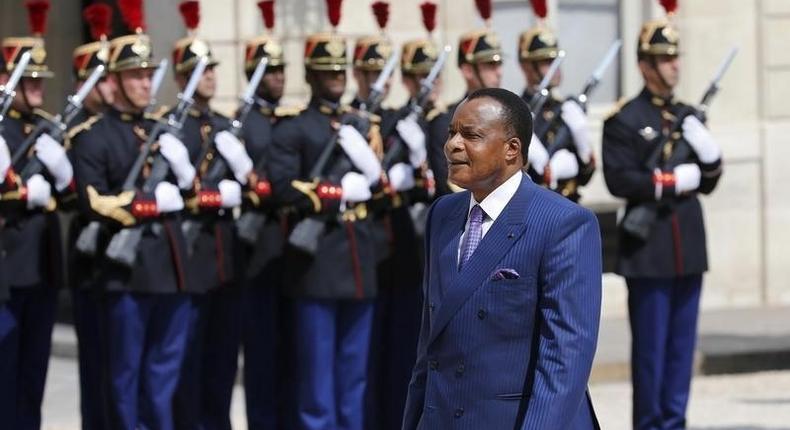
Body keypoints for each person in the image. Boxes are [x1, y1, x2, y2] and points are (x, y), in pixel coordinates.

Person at [402, 88, 601, 429]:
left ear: (512, 149)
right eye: (452, 132)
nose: (452, 144)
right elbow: (429, 345)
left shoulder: (562, 223)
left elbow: (564, 358)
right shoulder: (443, 215)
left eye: (471, 135)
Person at [71, 1, 194, 426]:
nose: (145, 83)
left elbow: (194, 192)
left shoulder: (166, 130)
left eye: (147, 75)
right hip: (127, 277)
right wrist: (151, 203)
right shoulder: (94, 137)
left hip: (172, 274)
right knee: (125, 382)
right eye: (135, 76)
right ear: (114, 81)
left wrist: (183, 173)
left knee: (163, 383)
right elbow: (93, 202)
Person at [601, 8, 723, 429]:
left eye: (675, 57)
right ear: (644, 65)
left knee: (680, 349)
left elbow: (709, 181)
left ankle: (675, 422)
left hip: (686, 247)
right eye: (664, 58)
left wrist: (710, 157)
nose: (674, 65)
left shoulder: (688, 115)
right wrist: (673, 180)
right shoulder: (624, 120)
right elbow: (620, 178)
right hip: (648, 250)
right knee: (651, 352)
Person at [267, 4, 384, 425]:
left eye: (341, 72)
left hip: (358, 262)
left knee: (354, 381)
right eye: (328, 73)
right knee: (316, 388)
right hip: (315, 266)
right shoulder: (294, 129)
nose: (337, 79)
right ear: (313, 77)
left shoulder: (359, 125)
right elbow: (280, 188)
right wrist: (335, 193)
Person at [168, 2, 250, 429]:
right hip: (191, 261)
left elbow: (255, 184)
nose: (212, 76)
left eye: (214, 69)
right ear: (182, 78)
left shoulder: (224, 124)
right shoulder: (170, 128)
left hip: (225, 261)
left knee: (221, 363)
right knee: (190, 361)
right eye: (202, 69)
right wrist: (212, 194)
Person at [0, 1, 76, 427]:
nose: (37, 89)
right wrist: (26, 192)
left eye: (39, 81)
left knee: (33, 376)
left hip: (44, 268)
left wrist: (65, 176)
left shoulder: (47, 129)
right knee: (5, 376)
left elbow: (71, 201)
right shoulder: (2, 129)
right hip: (9, 271)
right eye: (29, 81)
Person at [238, 1, 292, 428]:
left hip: (288, 250)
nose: (277, 78)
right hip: (256, 251)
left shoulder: (285, 121)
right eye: (269, 71)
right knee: (261, 355)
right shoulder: (243, 124)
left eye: (280, 71)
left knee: (288, 354)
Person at [66, 4, 117, 428]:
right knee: (99, 365)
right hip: (92, 262)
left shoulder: (128, 130)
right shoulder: (77, 135)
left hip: (129, 266)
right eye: (103, 81)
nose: (112, 89)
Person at [518, 22, 595, 202]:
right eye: (547, 62)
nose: (556, 68)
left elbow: (585, 177)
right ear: (527, 66)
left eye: (556, 61)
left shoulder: (567, 109)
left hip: (569, 206)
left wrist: (584, 151)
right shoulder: (516, 111)